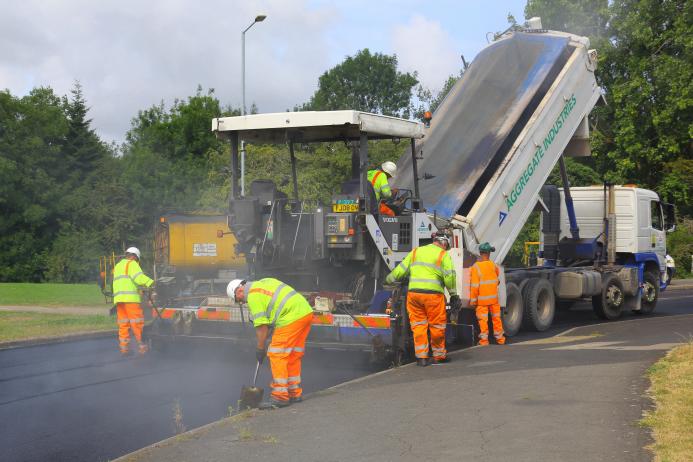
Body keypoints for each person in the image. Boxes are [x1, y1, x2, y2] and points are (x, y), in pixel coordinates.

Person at [228, 278, 313, 408]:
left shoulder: (253, 296)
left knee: (276, 354)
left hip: (290, 317)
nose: (242, 302)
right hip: (305, 312)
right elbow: (274, 304)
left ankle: (280, 397)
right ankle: (294, 393)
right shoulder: (264, 282)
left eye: (239, 300)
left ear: (239, 291)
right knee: (292, 354)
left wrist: (260, 348)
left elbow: (261, 327)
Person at [385, 230, 459, 366]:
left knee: (418, 325)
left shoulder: (415, 252)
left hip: (414, 296)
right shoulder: (443, 254)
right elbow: (450, 276)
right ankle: (438, 356)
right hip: (433, 296)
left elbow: (400, 270)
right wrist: (454, 295)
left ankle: (421, 357)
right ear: (443, 242)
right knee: (437, 325)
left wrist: (388, 280)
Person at [112, 247, 155, 356]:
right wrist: (151, 283)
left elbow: (126, 282)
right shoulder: (132, 264)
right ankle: (142, 347)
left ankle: (124, 349)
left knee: (123, 324)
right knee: (137, 323)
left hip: (119, 300)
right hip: (130, 300)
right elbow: (138, 278)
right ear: (135, 257)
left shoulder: (118, 265)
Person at [470, 242, 505, 346]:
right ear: (489, 253)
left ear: (480, 253)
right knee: (496, 319)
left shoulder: (476, 267)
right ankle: (500, 339)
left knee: (483, 320)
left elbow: (475, 286)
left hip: (482, 300)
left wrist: (473, 300)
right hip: (494, 299)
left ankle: (484, 341)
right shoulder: (493, 265)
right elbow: (497, 279)